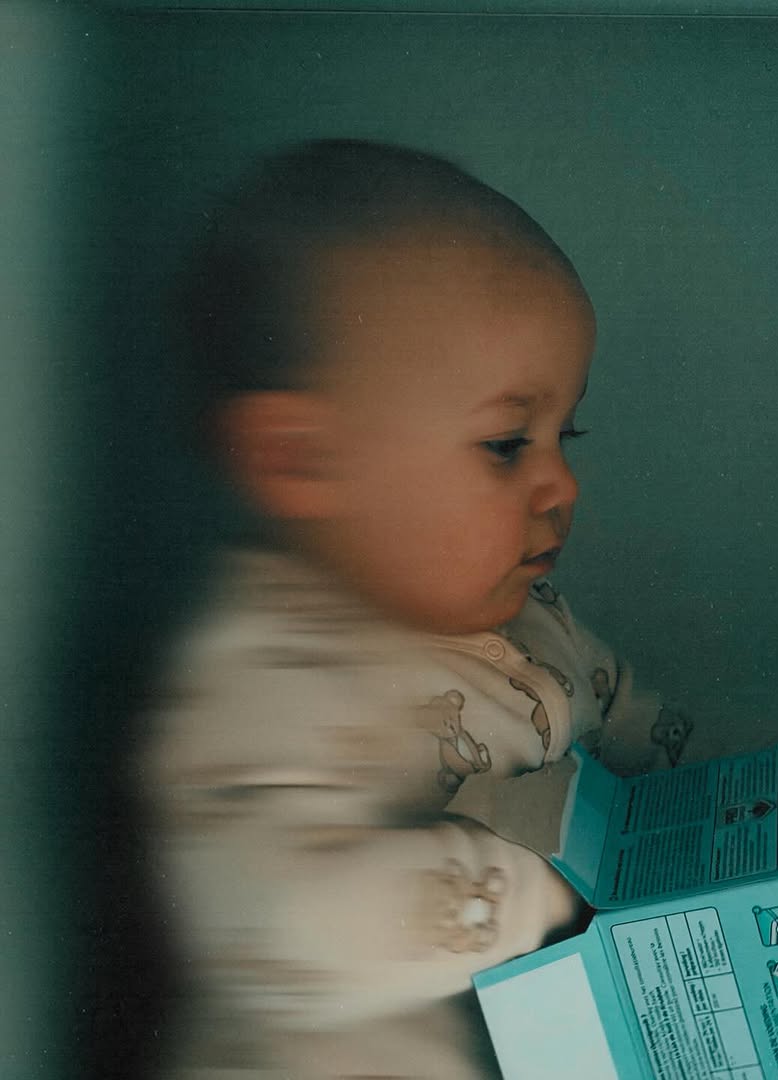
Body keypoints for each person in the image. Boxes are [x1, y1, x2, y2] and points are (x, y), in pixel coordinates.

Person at [140, 139, 694, 1080]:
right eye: (507, 443)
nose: (562, 483)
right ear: (303, 461)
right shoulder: (266, 678)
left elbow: (654, 752)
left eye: (566, 433)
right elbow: (281, 926)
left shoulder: (535, 621)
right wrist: (535, 895)